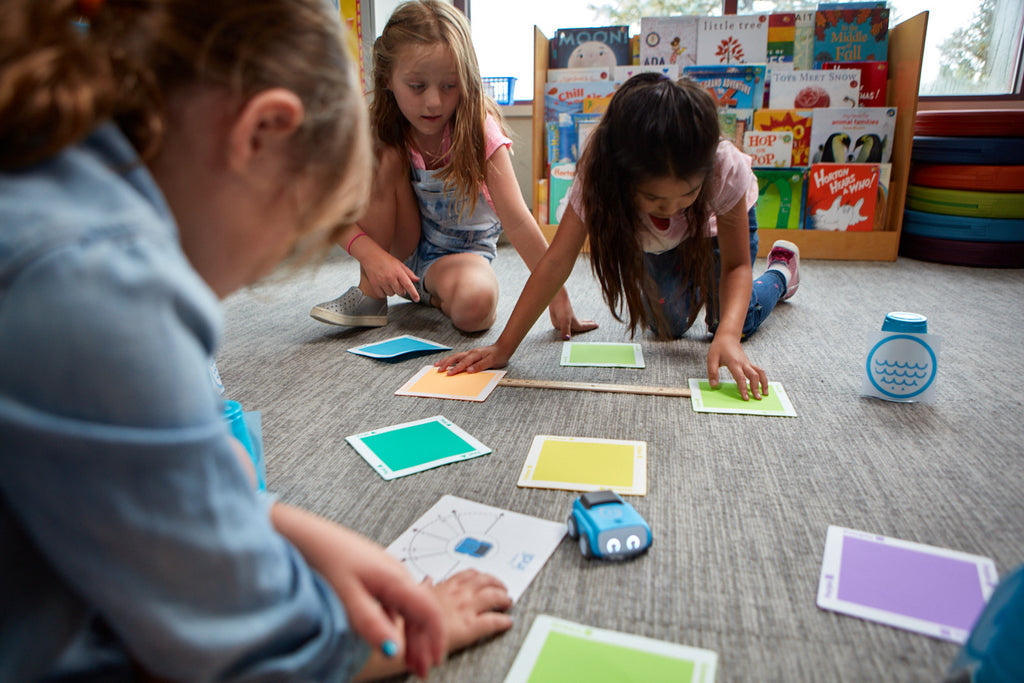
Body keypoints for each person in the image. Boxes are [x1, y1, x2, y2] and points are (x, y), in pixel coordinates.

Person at [0, 0, 512, 680]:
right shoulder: (100, 284)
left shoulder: (58, 172)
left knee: (230, 457)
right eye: (297, 222)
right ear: (263, 130)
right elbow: (253, 644)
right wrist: (388, 634)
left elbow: (165, 480)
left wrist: (273, 521)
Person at [437, 73, 801, 400]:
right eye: (654, 199)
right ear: (622, 177)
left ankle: (780, 274)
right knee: (667, 329)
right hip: (662, 243)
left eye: (687, 194)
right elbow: (556, 261)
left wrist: (728, 338)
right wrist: (503, 347)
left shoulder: (725, 167)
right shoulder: (599, 174)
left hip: (717, 233)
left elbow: (736, 266)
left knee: (729, 323)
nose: (671, 207)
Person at [309, 0, 596, 337]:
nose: (434, 102)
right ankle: (372, 292)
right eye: (417, 87)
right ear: (387, 78)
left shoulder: (479, 133)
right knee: (381, 154)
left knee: (475, 308)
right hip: (401, 246)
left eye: (449, 86)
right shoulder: (377, 128)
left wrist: (555, 294)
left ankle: (426, 293)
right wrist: (372, 256)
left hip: (460, 255)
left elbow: (518, 222)